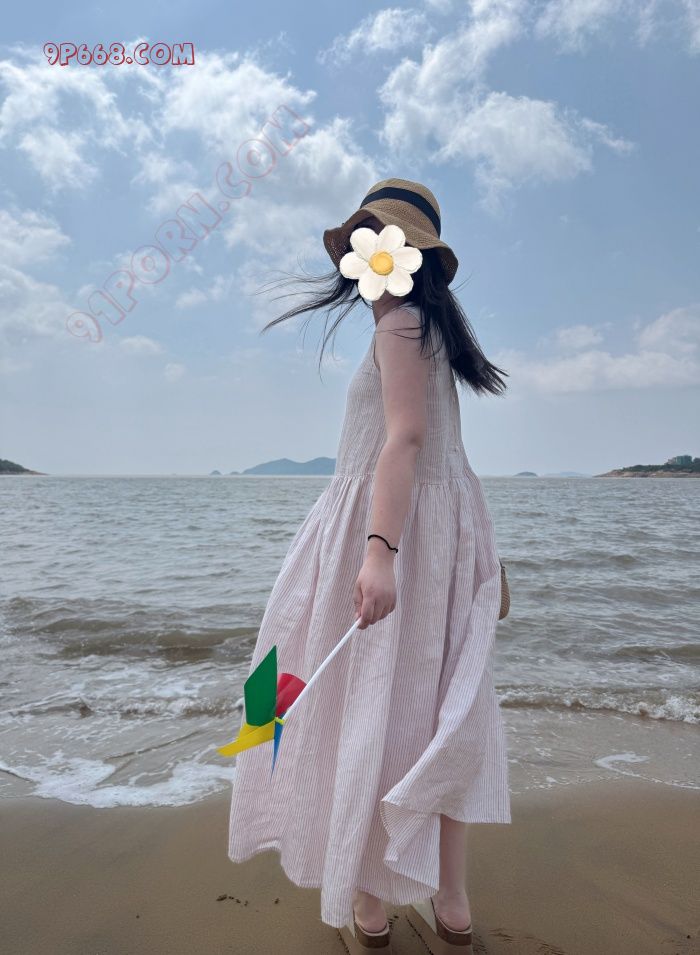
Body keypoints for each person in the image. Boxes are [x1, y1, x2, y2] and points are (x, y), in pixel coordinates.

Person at [226, 178, 511, 953]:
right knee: (438, 716)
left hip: (393, 537)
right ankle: (450, 899)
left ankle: (372, 899)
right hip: (435, 538)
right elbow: (446, 457)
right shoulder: (424, 331)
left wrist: (379, 551)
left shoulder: (400, 326)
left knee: (369, 707)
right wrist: (479, 561)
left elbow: (406, 441)